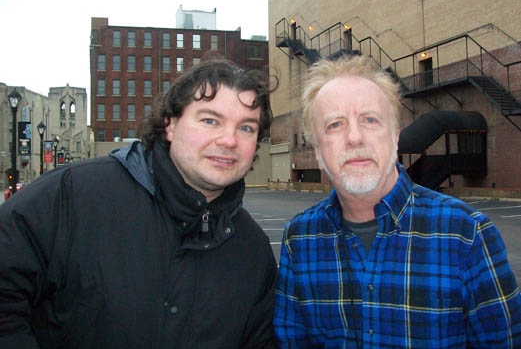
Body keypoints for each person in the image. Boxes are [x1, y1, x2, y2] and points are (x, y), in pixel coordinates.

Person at [0, 59, 278, 349]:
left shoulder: (254, 252)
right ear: (170, 125)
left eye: (246, 127)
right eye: (210, 120)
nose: (229, 140)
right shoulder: (73, 195)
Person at [274, 54, 521, 348]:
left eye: (370, 119)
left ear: (394, 137)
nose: (355, 137)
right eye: (335, 125)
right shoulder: (299, 240)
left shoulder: (466, 235)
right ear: (317, 152)